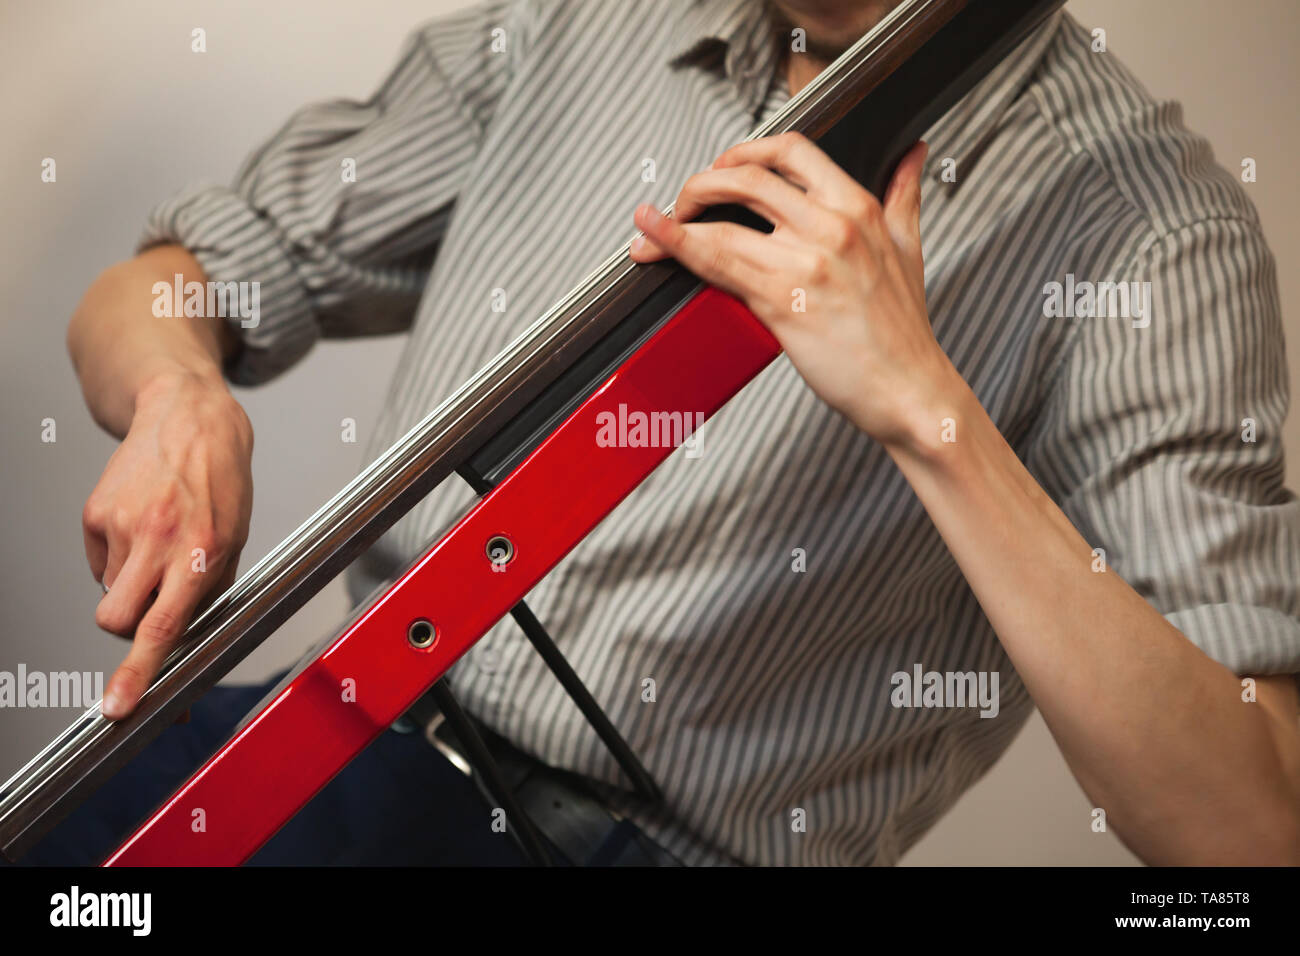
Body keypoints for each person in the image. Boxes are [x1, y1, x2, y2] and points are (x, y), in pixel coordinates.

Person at [55, 0, 1300, 865]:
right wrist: (177, 387)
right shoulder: (590, 22)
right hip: (305, 733)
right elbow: (162, 284)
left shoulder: (1153, 236)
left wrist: (932, 416)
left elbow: (1251, 822)